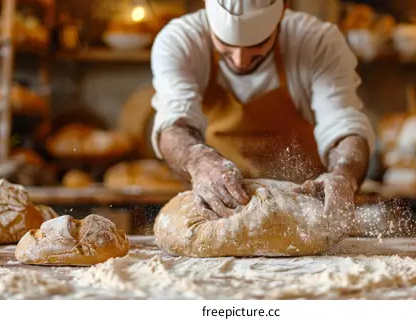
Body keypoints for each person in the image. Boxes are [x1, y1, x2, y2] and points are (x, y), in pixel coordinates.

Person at [149, 0, 375, 223]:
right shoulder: (180, 41)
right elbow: (173, 124)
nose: (240, 60)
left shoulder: (317, 41)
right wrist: (198, 160)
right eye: (225, 48)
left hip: (306, 213)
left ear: (282, 11)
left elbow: (343, 124)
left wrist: (343, 175)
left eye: (257, 47)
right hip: (218, 211)